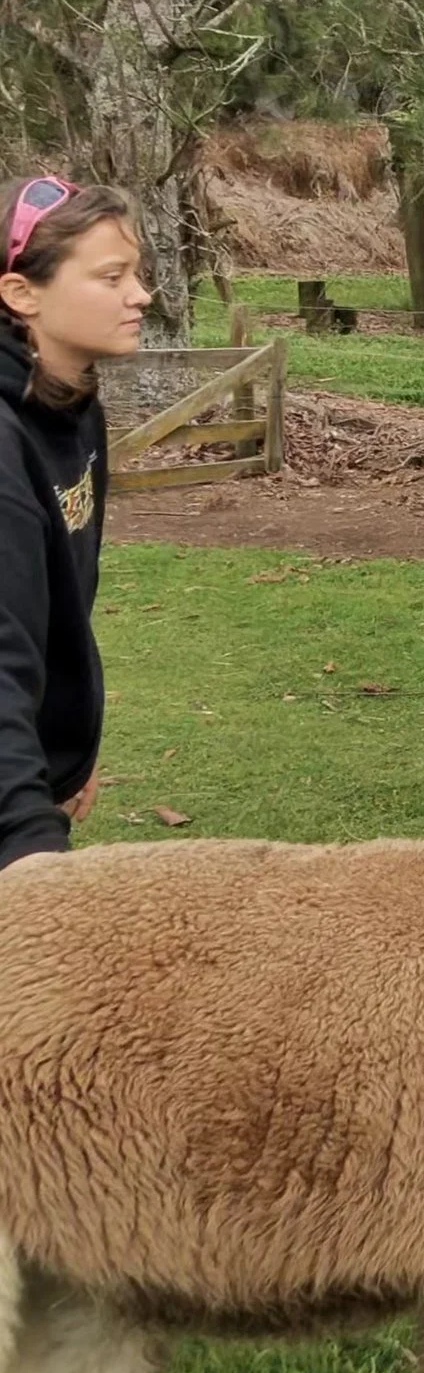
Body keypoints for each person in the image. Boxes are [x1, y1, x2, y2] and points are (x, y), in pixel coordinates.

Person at [0, 177, 152, 875]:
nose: (141, 294)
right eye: (112, 276)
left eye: (138, 273)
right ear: (21, 294)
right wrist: (28, 834)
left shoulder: (77, 407)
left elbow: (62, 600)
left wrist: (69, 753)